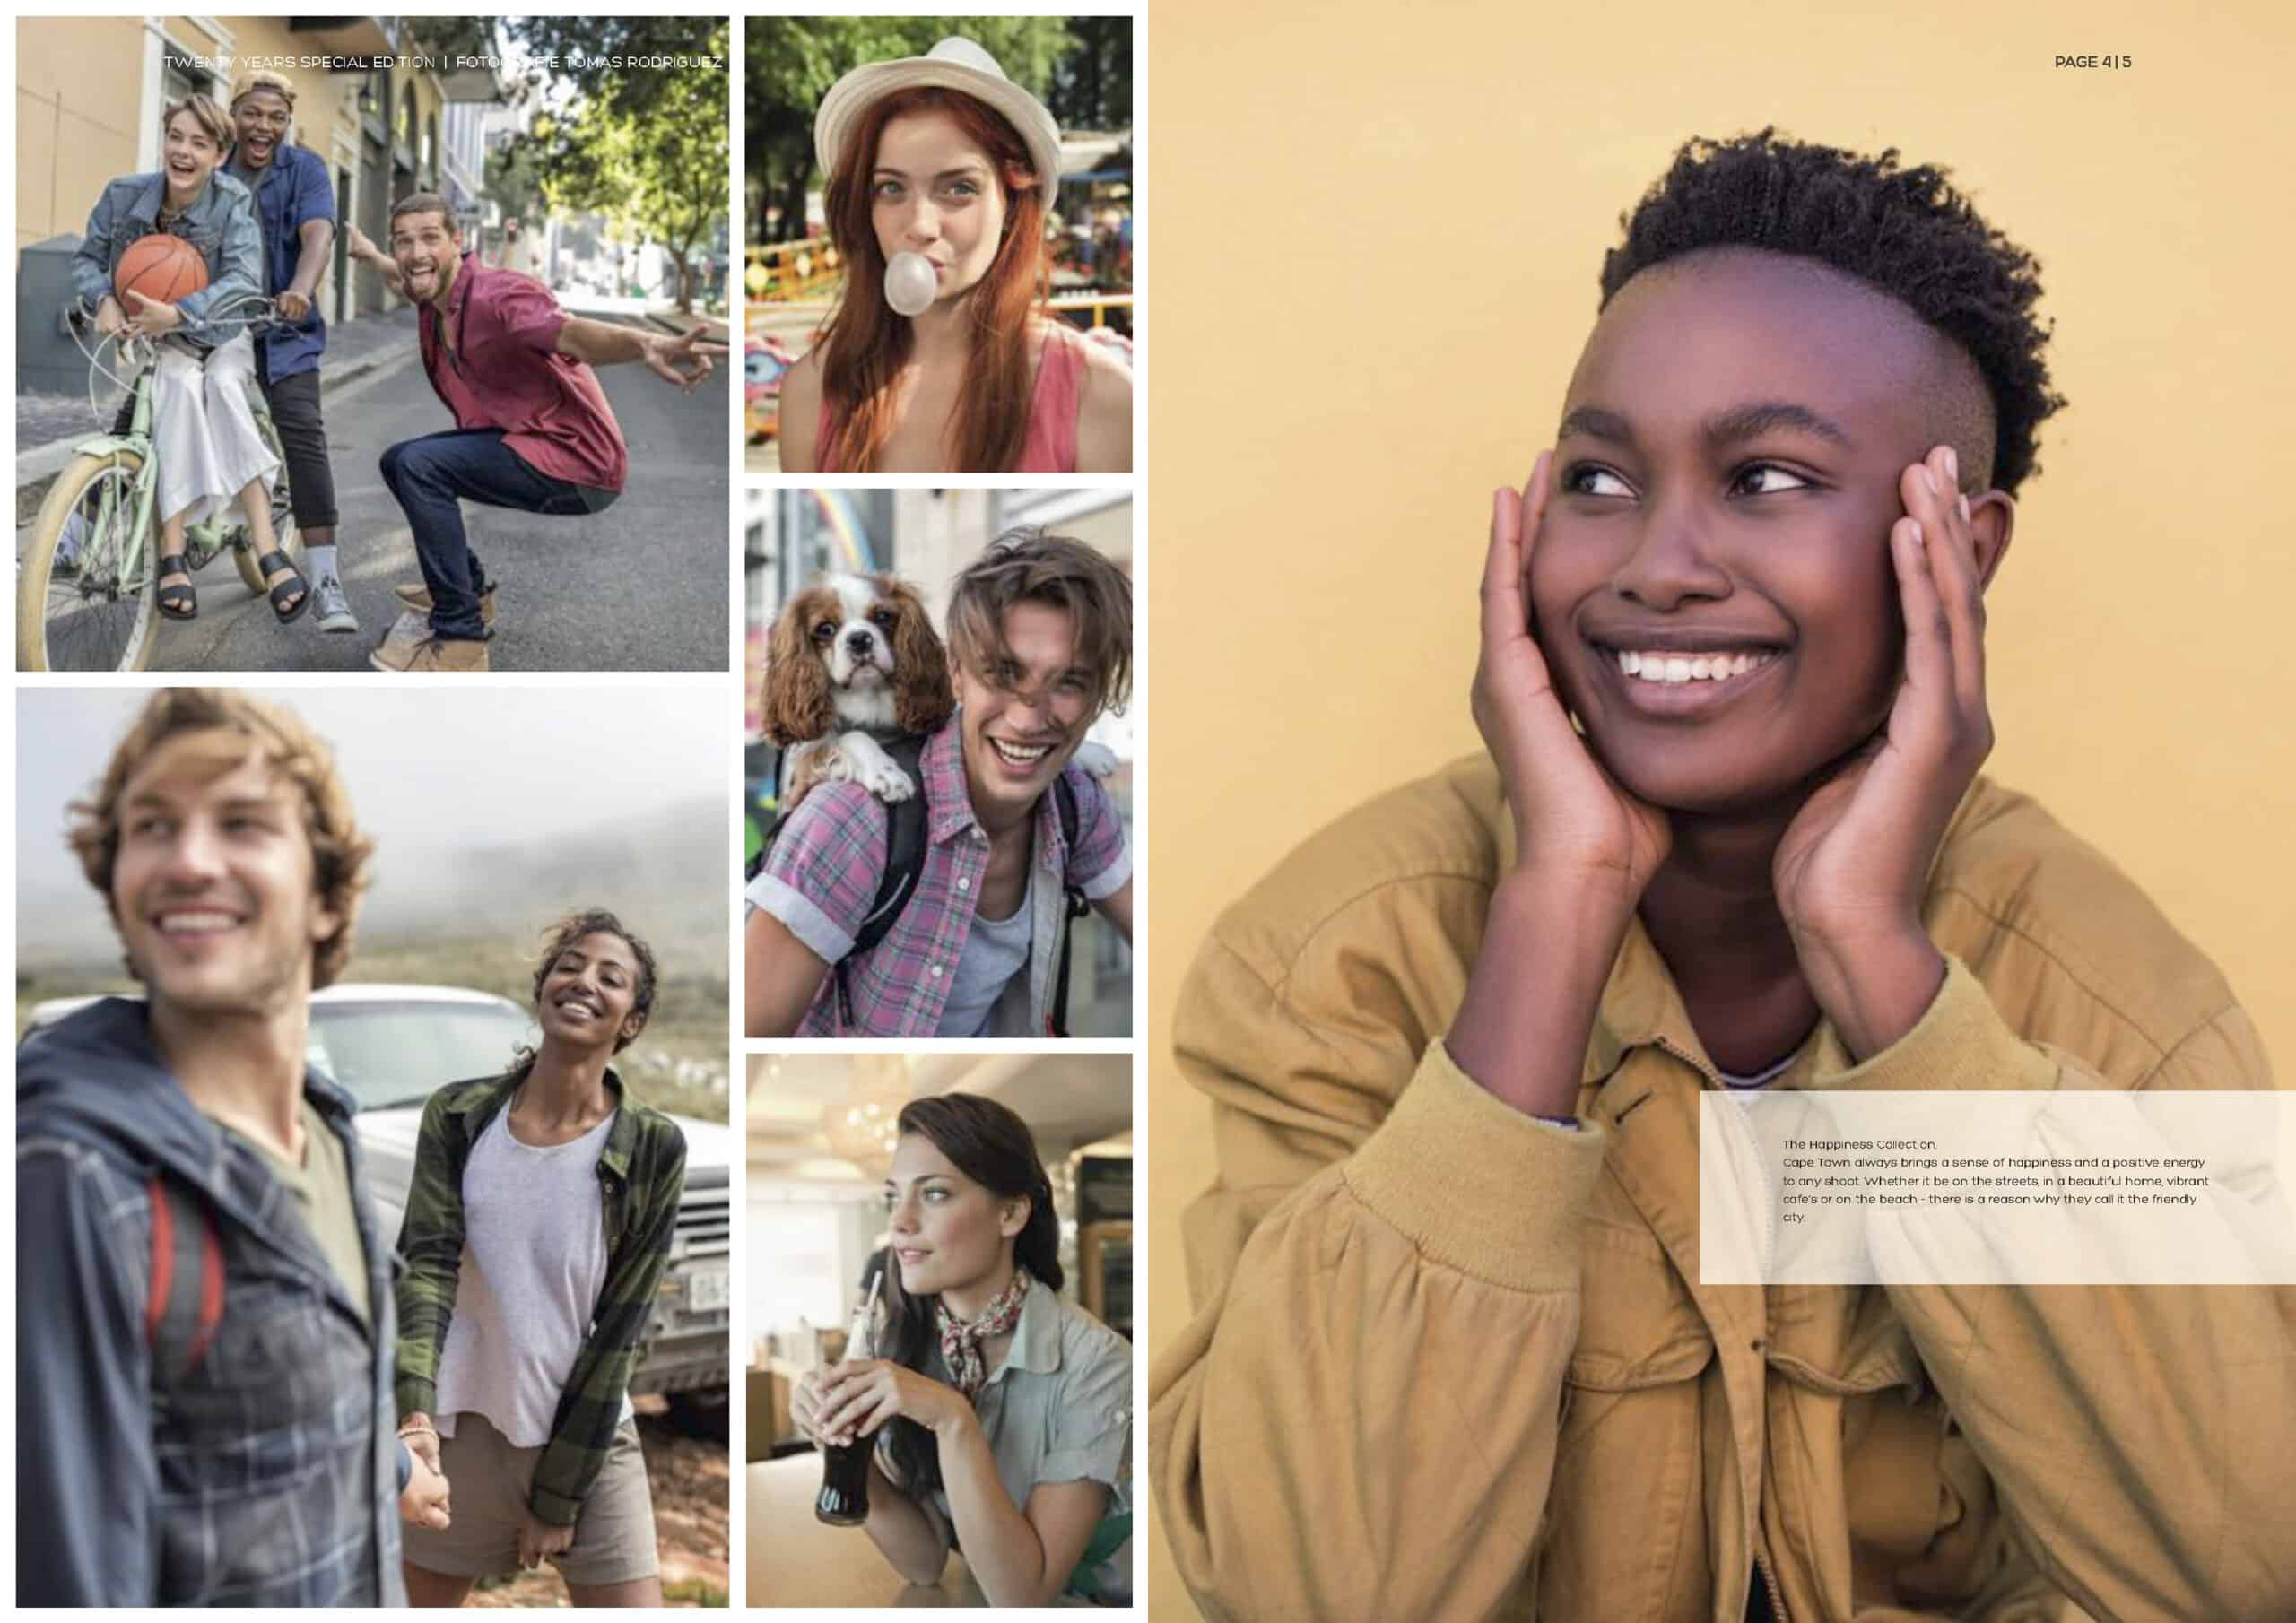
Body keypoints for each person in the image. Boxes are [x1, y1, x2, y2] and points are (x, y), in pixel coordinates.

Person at [1149, 131, 2293, 1623]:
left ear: (1958, 545)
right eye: (1601, 478)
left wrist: (1880, 963)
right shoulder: (1331, 967)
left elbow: (2241, 1572)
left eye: (1764, 479)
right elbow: (1319, 1594)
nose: (1659, 563)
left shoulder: (2113, 1000)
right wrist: (1556, 910)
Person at [17, 689, 451, 1606]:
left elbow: (286, 1425)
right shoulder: (71, 1177)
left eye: (243, 823)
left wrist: (396, 1470)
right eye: (152, 826)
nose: (189, 859)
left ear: (328, 898)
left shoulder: (326, 1127)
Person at [394, 909, 688, 1607]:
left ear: (632, 1021)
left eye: (610, 978)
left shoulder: (653, 1146)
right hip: (457, 1429)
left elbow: (623, 1324)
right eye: (569, 965)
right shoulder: (460, 1118)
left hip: (586, 1438)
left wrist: (559, 1496)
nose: (583, 981)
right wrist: (412, 1417)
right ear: (542, 989)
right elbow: (427, 1268)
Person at [744, 529, 1135, 1037]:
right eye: (1002, 673)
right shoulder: (848, 821)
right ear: (956, 671)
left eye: (1069, 682)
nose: (1027, 716)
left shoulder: (1074, 799)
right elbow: (750, 1039)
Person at [341, 195, 725, 673]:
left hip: (577, 463)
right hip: (527, 443)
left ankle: (461, 637)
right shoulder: (433, 293)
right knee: (399, 461)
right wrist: (371, 255)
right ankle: (467, 590)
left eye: (429, 238)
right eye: (404, 242)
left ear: (458, 243)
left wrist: (646, 342)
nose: (416, 252)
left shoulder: (499, 295)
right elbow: (402, 276)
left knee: (420, 466)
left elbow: (572, 334)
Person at [795, 1094, 1132, 1607]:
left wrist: (953, 1419)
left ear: (1012, 1213)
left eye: (933, 1195)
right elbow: (924, 1563)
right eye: (893, 1197)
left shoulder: (1101, 1365)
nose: (901, 1222)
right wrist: (840, 1439)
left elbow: (1024, 1597)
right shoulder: (905, 1343)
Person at [778, 36, 1132, 474]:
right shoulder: (809, 392)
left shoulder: (1102, 394)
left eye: (959, 188)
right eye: (891, 188)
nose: (921, 225)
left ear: (1011, 204)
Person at [71, 95, 309, 626]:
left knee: (224, 384)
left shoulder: (232, 202)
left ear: (220, 155)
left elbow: (246, 281)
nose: (183, 150)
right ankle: (173, 553)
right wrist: (103, 298)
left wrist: (179, 313)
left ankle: (268, 546)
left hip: (220, 331)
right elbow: (88, 259)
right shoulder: (123, 194)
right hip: (166, 343)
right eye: (176, 136)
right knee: (174, 385)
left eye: (199, 143)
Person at [223, 69, 356, 632]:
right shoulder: (212, 165)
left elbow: (318, 234)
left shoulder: (305, 169)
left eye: (277, 117)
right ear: (234, 113)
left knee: (302, 432)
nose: (265, 126)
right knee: (144, 403)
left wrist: (300, 289)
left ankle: (325, 579)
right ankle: (80, 532)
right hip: (216, 321)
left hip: (284, 325)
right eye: (254, 113)